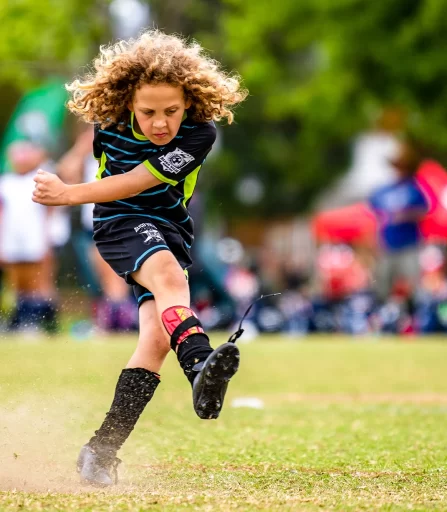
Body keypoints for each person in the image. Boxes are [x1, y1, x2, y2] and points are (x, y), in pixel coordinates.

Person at [31, 30, 248, 486]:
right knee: (170, 281)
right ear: (129, 103)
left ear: (189, 103)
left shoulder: (198, 134)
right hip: (118, 223)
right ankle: (200, 366)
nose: (160, 123)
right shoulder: (108, 119)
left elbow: (138, 180)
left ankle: (100, 449)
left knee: (155, 338)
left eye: (171, 111)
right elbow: (117, 190)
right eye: (148, 112)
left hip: (169, 227)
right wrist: (70, 177)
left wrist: (69, 194)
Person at [57, 125, 136, 332]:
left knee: (113, 277)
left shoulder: (116, 151)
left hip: (112, 221)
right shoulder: (88, 157)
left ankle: (119, 323)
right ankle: (112, 319)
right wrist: (80, 149)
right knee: (100, 276)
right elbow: (65, 172)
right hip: (91, 225)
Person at [0, 140, 57, 332]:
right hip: (12, 239)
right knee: (17, 282)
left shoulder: (39, 179)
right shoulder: (6, 182)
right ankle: (19, 319)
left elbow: (48, 215)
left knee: (37, 281)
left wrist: (47, 241)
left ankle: (40, 320)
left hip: (35, 238)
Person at [368, 141, 429, 298]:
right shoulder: (383, 190)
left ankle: (413, 313)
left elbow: (425, 210)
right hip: (388, 245)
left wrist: (406, 215)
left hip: (409, 245)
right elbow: (374, 212)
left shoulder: (414, 188)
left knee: (413, 283)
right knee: (382, 284)